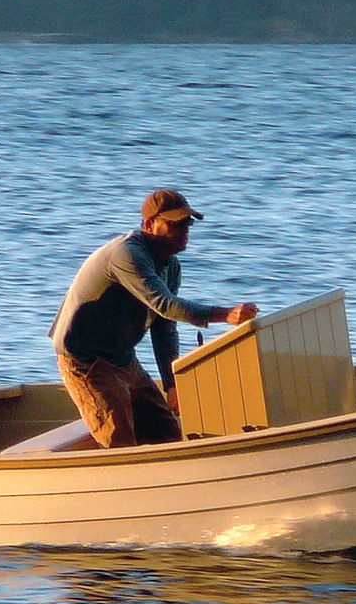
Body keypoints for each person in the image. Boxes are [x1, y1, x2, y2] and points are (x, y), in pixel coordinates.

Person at [49, 188, 259, 448]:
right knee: (120, 442)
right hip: (85, 362)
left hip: (124, 359)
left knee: (167, 432)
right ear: (149, 224)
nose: (184, 231)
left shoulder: (171, 265)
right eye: (175, 224)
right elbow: (165, 304)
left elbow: (164, 326)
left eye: (187, 224)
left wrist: (171, 384)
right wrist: (224, 314)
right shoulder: (127, 254)